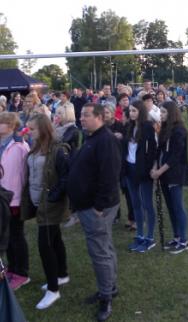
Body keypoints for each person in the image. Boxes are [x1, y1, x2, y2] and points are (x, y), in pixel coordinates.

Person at [68, 103, 121, 322]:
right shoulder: (92, 137)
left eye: (86, 115)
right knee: (105, 246)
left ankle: (105, 297)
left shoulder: (105, 140)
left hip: (97, 208)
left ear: (99, 117)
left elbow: (110, 176)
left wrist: (99, 206)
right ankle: (110, 287)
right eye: (81, 115)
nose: (81, 118)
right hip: (89, 205)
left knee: (99, 252)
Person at [21, 114, 70, 310]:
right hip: (38, 202)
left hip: (50, 205)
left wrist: (53, 196)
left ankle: (53, 289)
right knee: (55, 239)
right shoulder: (34, 147)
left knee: (45, 245)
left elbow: (66, 177)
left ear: (43, 129)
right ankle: (62, 274)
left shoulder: (58, 149)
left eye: (32, 128)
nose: (29, 131)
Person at [151, 101, 188, 254]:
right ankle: (177, 236)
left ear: (172, 113)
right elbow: (159, 151)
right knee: (171, 207)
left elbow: (175, 156)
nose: (161, 115)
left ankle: (184, 241)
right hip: (164, 175)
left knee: (178, 206)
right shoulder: (165, 129)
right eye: (160, 112)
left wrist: (159, 171)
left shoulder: (179, 130)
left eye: (164, 112)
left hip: (175, 174)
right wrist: (155, 167)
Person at [0, 112, 30, 290]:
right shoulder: (1, 144)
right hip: (2, 196)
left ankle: (22, 273)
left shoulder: (20, 146)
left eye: (1, 122)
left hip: (14, 198)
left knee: (16, 235)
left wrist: (19, 197)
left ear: (11, 126)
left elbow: (24, 174)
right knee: (6, 235)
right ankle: (12, 268)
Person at [122, 100, 157, 252]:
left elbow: (153, 150)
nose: (131, 113)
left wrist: (152, 167)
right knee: (136, 203)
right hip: (129, 169)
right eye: (130, 111)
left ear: (141, 112)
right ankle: (140, 235)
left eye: (134, 111)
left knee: (147, 204)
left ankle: (150, 237)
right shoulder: (128, 126)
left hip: (143, 170)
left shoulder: (148, 127)